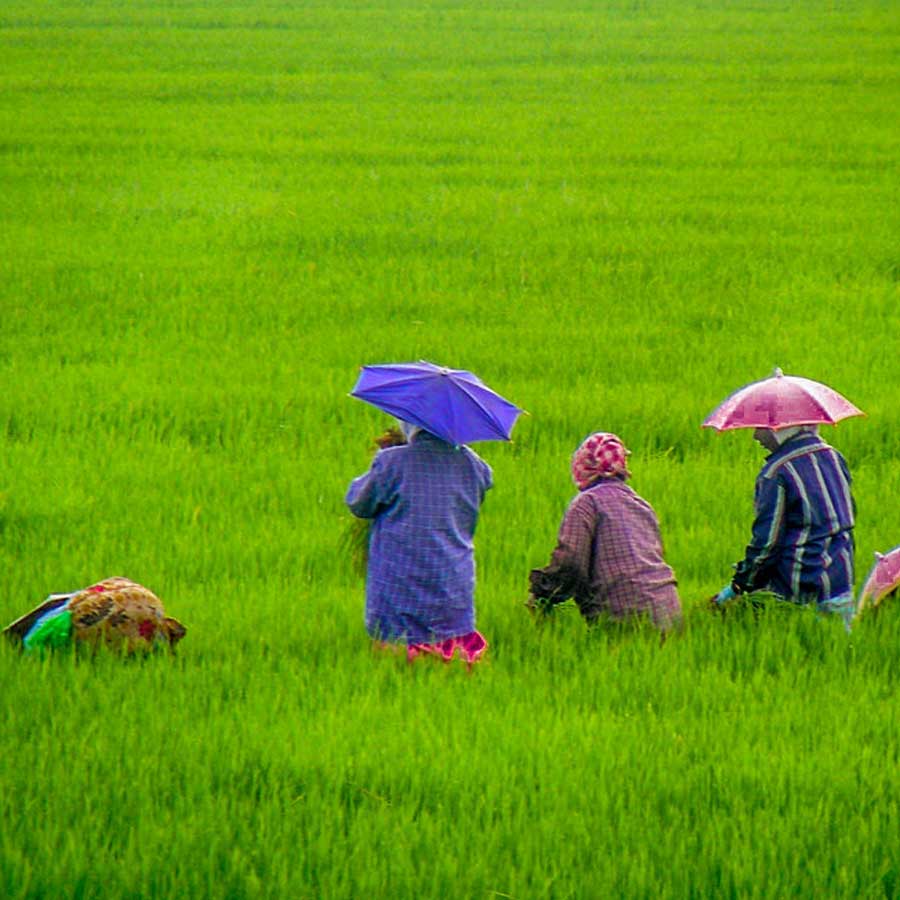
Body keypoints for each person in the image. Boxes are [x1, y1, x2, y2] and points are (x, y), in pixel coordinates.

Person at [345, 420, 493, 664]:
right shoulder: (473, 464)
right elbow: (483, 485)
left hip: (399, 581)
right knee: (450, 633)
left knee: (393, 647)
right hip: (454, 578)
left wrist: (382, 464)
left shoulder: (392, 462)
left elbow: (358, 503)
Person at [528, 432, 682, 632]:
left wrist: (542, 594)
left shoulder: (587, 503)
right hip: (670, 611)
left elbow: (571, 562)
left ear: (584, 465)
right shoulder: (641, 504)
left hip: (624, 617)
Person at [712, 425, 855, 627]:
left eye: (760, 428)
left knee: (794, 648)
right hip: (842, 578)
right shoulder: (834, 456)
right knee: (838, 649)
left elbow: (767, 544)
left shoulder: (776, 472)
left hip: (799, 588)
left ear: (778, 429)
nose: (755, 436)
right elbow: (847, 517)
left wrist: (739, 586)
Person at [4, 576, 186, 653]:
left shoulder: (153, 602)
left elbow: (116, 581)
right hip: (89, 617)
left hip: (84, 607)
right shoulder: (147, 639)